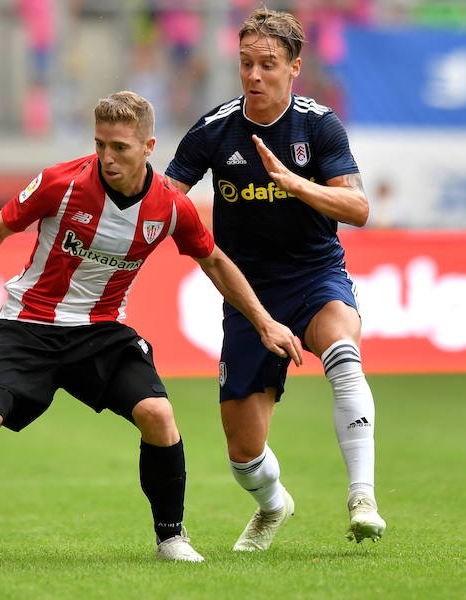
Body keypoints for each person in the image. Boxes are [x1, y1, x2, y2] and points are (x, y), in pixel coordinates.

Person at [0, 91, 302, 562]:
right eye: (100, 144)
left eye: (119, 147)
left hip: (101, 331)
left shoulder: (170, 206)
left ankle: (171, 537)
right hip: (28, 323)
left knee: (158, 415)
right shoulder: (61, 183)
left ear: (148, 146)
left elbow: (215, 261)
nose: (107, 157)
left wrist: (264, 322)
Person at [164, 7, 386, 552]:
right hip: (247, 292)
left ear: (294, 68)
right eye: (246, 64)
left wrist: (295, 184)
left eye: (267, 64)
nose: (254, 76)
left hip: (314, 276)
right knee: (243, 455)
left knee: (342, 349)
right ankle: (272, 504)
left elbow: (357, 208)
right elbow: (165, 197)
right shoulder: (216, 129)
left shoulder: (318, 124)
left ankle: (363, 498)